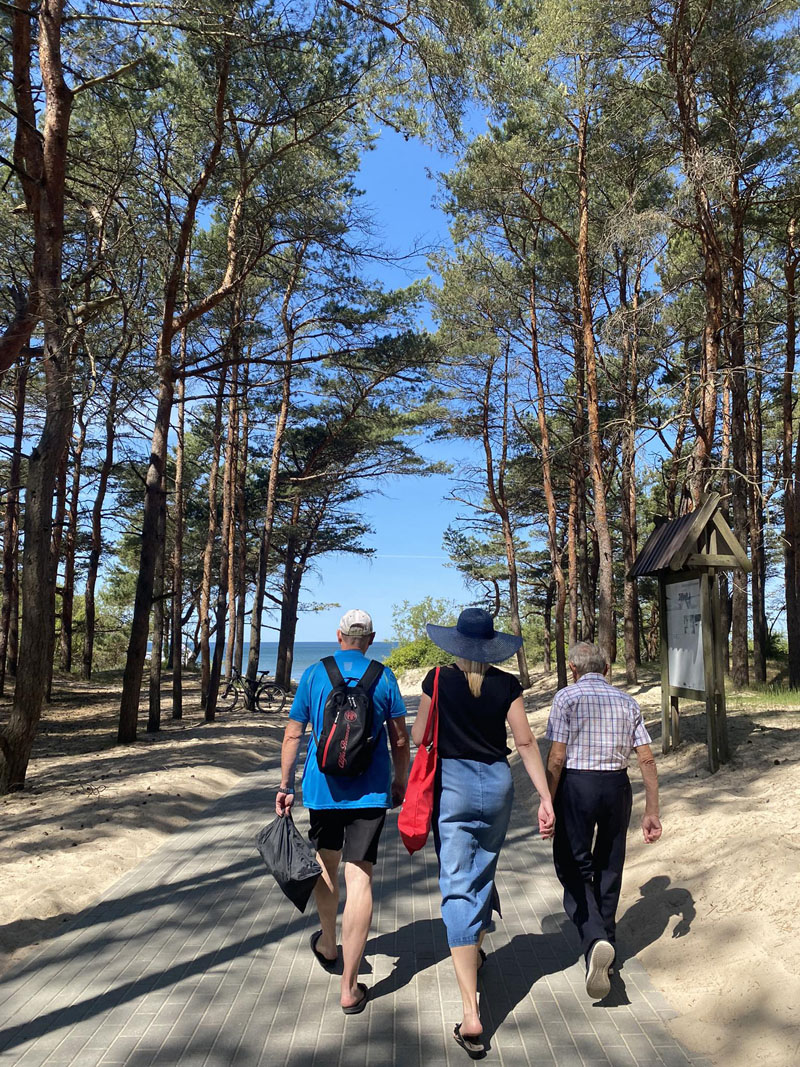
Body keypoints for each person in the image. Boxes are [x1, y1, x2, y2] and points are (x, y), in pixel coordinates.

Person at [414, 607, 555, 1059]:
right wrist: (546, 797)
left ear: (455, 642)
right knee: (481, 872)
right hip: (496, 784)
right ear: (491, 644)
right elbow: (526, 742)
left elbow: (420, 736)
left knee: (458, 884)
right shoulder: (507, 684)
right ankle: (475, 948)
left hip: (451, 785)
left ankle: (471, 1012)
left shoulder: (437, 680)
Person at [276, 609, 409, 1014]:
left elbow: (294, 733)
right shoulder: (383, 677)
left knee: (326, 865)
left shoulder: (316, 673)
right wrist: (399, 781)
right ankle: (350, 988)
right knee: (360, 878)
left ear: (339, 636)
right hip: (369, 793)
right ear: (370, 637)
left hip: (323, 790)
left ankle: (329, 943)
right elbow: (400, 740)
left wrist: (285, 785)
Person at [544, 641, 662, 1001]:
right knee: (610, 865)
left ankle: (595, 938)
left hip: (577, 786)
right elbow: (646, 759)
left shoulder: (566, 698)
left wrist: (547, 798)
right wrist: (652, 809)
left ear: (575, 669)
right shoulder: (627, 702)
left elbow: (557, 756)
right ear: (607, 669)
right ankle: (607, 948)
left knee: (571, 864)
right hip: (616, 787)